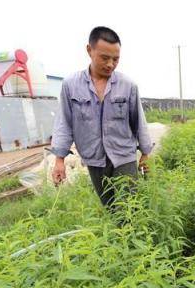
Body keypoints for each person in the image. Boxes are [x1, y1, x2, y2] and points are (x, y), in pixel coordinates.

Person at [51, 26, 153, 207]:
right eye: (105, 58)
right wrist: (59, 159)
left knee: (129, 208)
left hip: (124, 156)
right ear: (89, 50)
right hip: (94, 159)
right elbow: (64, 123)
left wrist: (145, 153)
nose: (110, 64)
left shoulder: (128, 85)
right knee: (110, 207)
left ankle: (129, 234)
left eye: (116, 59)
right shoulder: (71, 85)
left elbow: (139, 122)